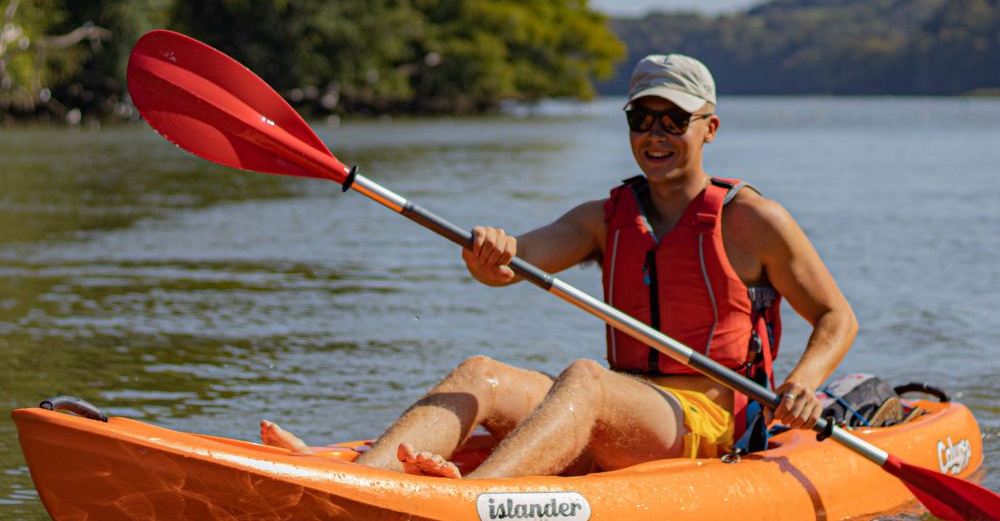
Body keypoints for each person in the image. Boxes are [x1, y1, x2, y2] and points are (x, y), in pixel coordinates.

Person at [262, 53, 858, 478]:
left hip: (705, 418)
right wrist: (492, 251)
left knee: (586, 380)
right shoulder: (605, 217)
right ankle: (359, 481)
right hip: (625, 408)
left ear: (710, 129)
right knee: (480, 374)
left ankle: (474, 502)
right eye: (641, 119)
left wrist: (802, 382)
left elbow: (836, 317)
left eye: (674, 120)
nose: (656, 134)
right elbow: (508, 267)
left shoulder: (752, 220)